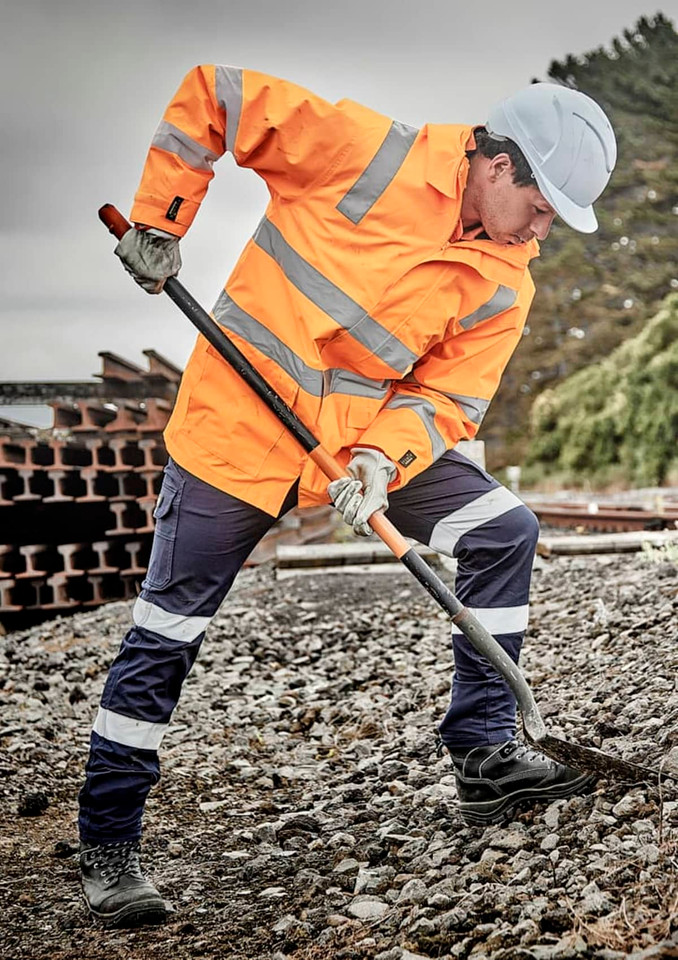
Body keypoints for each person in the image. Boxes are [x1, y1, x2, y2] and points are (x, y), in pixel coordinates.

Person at [78, 64, 616, 926]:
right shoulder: (368, 152)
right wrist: (160, 217)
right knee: (168, 630)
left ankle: (483, 753)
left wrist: (378, 464)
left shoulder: (509, 280)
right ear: (498, 165)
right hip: (237, 434)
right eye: (544, 204)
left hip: (357, 452)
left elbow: (446, 402)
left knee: (503, 528)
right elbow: (216, 95)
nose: (545, 228)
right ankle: (108, 842)